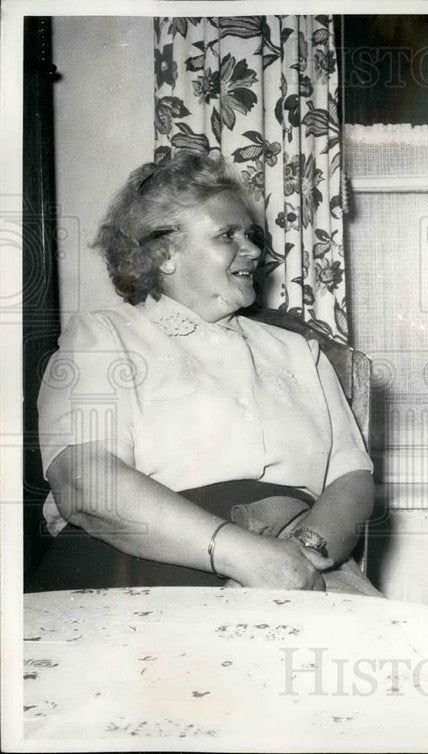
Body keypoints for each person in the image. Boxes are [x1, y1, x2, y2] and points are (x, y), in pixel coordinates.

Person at [30, 150, 378, 596]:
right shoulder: (102, 338)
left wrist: (301, 555)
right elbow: (86, 484)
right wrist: (242, 555)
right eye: (227, 235)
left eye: (250, 234)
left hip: (304, 566)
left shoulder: (299, 352)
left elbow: (352, 477)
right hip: (140, 570)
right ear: (164, 254)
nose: (254, 249)